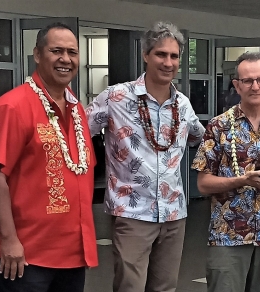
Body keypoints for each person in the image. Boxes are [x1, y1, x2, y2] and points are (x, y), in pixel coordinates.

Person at [86, 21, 204, 292]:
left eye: (174, 56)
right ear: (146, 55)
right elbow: (78, 131)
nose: (168, 62)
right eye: (161, 54)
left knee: (165, 288)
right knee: (130, 287)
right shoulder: (116, 97)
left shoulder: (183, 105)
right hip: (131, 213)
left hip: (174, 214)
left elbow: (200, 137)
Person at [0, 22, 97, 292]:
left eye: (72, 52)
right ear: (37, 55)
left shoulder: (77, 110)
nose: (65, 59)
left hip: (72, 254)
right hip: (25, 255)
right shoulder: (13, 106)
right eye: (56, 50)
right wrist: (8, 241)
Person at [191, 51, 260, 292]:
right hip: (228, 235)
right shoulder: (218, 126)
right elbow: (203, 184)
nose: (255, 86)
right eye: (247, 81)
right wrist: (242, 180)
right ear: (237, 86)